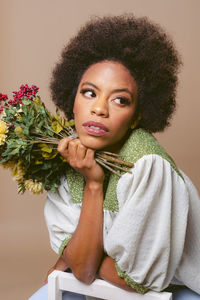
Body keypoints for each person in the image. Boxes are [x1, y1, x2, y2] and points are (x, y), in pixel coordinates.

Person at [29, 14, 200, 300]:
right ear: (72, 101)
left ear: (136, 118)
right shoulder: (68, 155)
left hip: (180, 290)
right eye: (89, 93)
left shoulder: (148, 165)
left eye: (119, 99)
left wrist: (72, 260)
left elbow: (129, 278)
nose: (99, 109)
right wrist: (93, 184)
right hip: (107, 285)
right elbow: (82, 270)